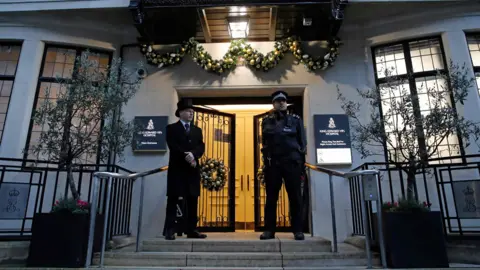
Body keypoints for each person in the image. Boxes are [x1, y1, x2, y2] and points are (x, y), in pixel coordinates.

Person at [260, 90, 307, 241]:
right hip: (273, 163)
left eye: (283, 101)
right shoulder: (267, 121)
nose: (281, 103)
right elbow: (265, 142)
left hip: (292, 163)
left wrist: (300, 162)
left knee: (295, 197)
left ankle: (298, 230)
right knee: (271, 198)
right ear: (273, 104)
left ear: (286, 103)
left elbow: (302, 143)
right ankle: (269, 230)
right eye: (278, 101)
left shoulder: (295, 120)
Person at [163, 98, 207, 240]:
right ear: (180, 113)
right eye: (188, 111)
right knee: (173, 198)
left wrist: (193, 155)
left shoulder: (197, 130)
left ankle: (192, 229)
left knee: (193, 199)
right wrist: (186, 156)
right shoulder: (171, 129)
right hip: (177, 169)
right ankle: (170, 229)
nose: (191, 114)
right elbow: (173, 146)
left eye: (192, 112)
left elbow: (201, 146)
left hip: (192, 169)